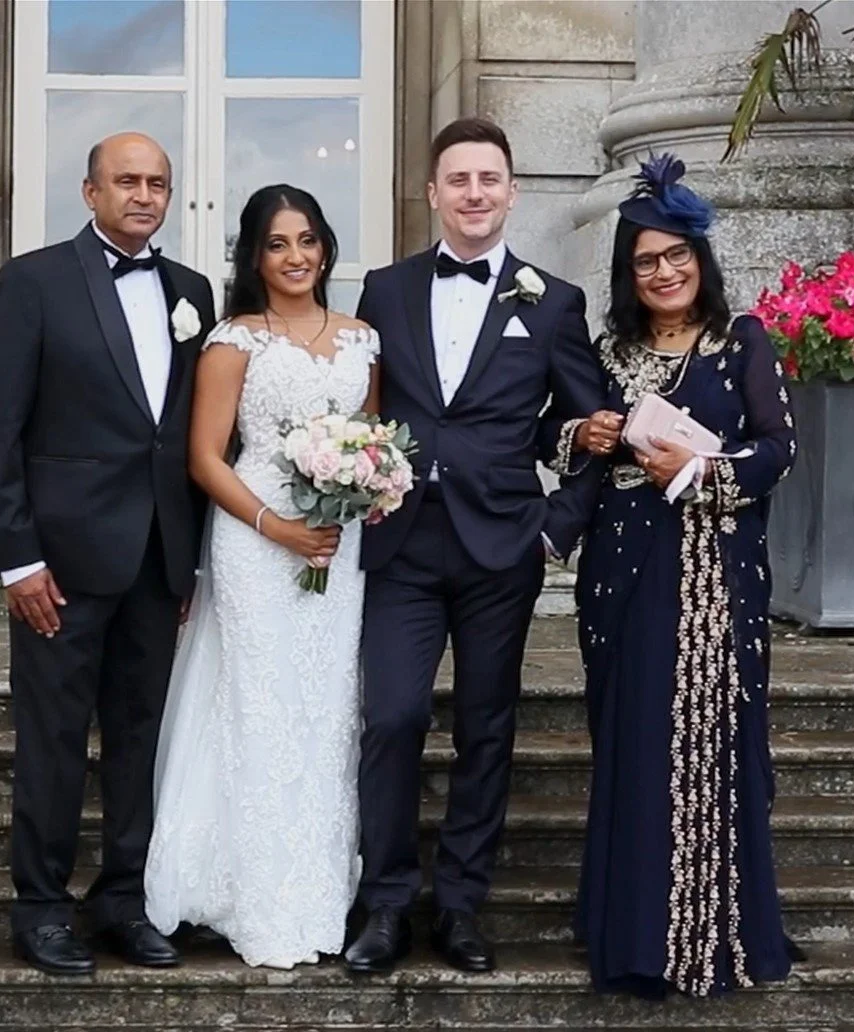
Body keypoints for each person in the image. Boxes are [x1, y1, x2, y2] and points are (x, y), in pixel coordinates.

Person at [344, 117, 602, 976]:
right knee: (393, 717)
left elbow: (590, 427)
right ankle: (383, 904)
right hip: (403, 545)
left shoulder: (555, 301)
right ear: (432, 193)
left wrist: (556, 530)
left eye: (489, 179)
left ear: (512, 191)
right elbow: (365, 410)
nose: (474, 194)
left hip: (504, 550)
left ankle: (459, 906)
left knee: (487, 730)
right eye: (458, 180)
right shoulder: (383, 288)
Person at [0, 131, 215, 977]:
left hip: (156, 562)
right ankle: (39, 907)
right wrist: (17, 559)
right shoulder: (32, 283)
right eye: (127, 181)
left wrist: (186, 562)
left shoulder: (192, 292)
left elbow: (182, 436)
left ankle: (122, 900)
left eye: (158, 183)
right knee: (52, 739)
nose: (144, 196)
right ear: (89, 191)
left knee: (141, 738)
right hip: (60, 568)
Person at [557, 154, 799, 999]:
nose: (663, 273)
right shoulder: (610, 351)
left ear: (701, 257)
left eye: (676, 255)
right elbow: (575, 446)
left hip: (713, 579)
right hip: (624, 574)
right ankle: (630, 940)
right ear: (628, 273)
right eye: (646, 261)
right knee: (632, 744)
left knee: (708, 745)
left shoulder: (743, 342)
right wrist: (582, 437)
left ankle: (706, 940)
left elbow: (779, 450)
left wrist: (696, 475)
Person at [141, 184, 376, 969]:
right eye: (277, 244)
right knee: (259, 705)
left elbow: (370, 442)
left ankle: (314, 889)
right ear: (253, 256)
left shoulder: (361, 341)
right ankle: (243, 888)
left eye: (307, 239)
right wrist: (275, 526)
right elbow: (205, 456)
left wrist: (366, 489)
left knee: (323, 707)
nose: (296, 256)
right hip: (255, 538)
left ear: (326, 246)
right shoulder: (233, 340)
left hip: (333, 552)